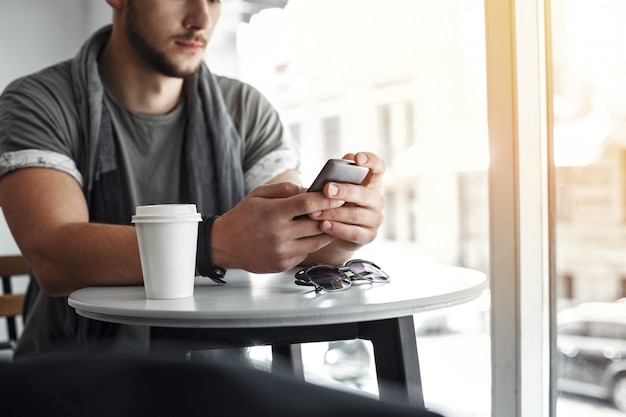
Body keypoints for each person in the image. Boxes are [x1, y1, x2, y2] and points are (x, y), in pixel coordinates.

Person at [0, 0, 385, 361]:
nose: (201, 19)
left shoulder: (245, 109)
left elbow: (285, 243)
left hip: (217, 378)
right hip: (66, 382)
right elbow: (54, 258)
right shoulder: (36, 102)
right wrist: (212, 244)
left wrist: (336, 230)